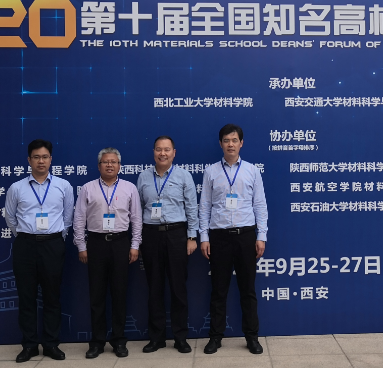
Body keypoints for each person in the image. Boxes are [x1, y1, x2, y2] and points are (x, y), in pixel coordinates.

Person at [199, 124, 268, 355]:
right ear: (220, 144)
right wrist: (204, 237)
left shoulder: (252, 171)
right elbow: (204, 206)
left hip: (246, 236)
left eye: (234, 140)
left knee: (248, 290)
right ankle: (215, 337)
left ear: (241, 143)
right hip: (219, 237)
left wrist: (261, 236)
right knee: (218, 290)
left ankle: (252, 337)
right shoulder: (211, 172)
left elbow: (260, 205)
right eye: (226, 140)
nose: (231, 144)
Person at [4, 139, 74, 363]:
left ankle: (51, 344)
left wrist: (57, 237)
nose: (40, 161)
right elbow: (10, 217)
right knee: (27, 297)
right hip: (25, 245)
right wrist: (25, 236)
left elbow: (68, 217)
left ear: (51, 159)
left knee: (52, 296)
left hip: (53, 244)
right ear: (29, 160)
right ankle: (29, 345)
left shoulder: (63, 186)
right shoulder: (17, 188)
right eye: (36, 157)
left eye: (44, 157)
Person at [73, 147, 142, 359]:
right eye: (105, 162)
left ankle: (119, 340)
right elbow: (79, 219)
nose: (109, 165)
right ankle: (97, 342)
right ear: (99, 166)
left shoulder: (130, 188)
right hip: (96, 243)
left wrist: (135, 245)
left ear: (119, 166)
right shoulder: (88, 188)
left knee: (120, 294)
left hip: (121, 243)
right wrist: (81, 246)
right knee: (97, 295)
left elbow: (136, 219)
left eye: (113, 162)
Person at [136, 136, 199, 354]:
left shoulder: (184, 176)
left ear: (174, 152)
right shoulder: (143, 177)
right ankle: (157, 338)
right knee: (154, 288)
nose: (162, 153)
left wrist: (192, 237)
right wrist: (139, 239)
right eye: (158, 149)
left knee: (178, 288)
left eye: (167, 149)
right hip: (151, 235)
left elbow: (192, 208)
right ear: (153, 152)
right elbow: (139, 209)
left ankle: (180, 337)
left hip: (176, 234)